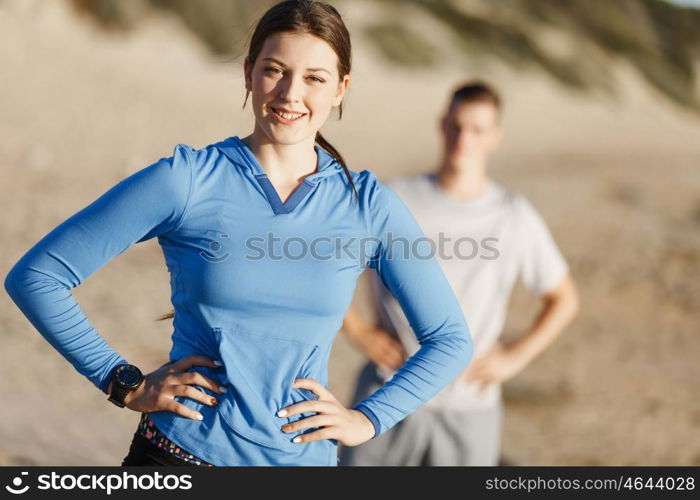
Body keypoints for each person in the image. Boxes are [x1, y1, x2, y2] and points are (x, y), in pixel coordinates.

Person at [3, 0, 473, 467]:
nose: (291, 94)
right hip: (176, 458)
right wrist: (123, 383)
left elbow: (449, 339)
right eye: (275, 70)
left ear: (341, 88)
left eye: (314, 78)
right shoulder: (185, 180)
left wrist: (367, 420)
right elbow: (37, 277)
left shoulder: (369, 206)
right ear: (249, 73)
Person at [339, 81, 580, 466]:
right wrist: (359, 331)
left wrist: (514, 360)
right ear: (442, 125)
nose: (463, 138)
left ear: (495, 138)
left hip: (469, 404)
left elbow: (563, 299)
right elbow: (326, 268)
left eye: (477, 130)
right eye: (456, 125)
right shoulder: (394, 198)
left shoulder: (512, 215)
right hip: (387, 393)